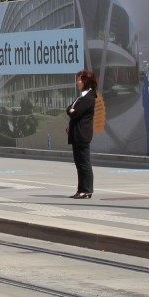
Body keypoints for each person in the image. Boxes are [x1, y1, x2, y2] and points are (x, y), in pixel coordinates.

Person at [66, 69, 97, 199]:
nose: (77, 82)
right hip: (76, 134)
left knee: (84, 163)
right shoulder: (82, 96)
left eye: (79, 79)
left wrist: (72, 110)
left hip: (82, 134)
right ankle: (80, 189)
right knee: (79, 164)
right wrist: (71, 110)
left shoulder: (89, 97)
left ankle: (87, 190)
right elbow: (69, 109)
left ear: (85, 81)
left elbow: (75, 113)